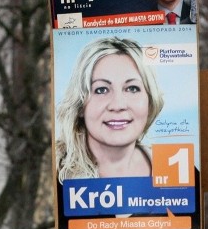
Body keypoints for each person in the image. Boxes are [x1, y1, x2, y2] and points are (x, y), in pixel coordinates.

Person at [56, 37, 164, 182]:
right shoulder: (54, 175)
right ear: (80, 105)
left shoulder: (176, 169)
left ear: (150, 102)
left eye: (132, 88)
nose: (117, 105)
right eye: (101, 90)